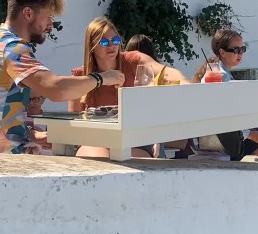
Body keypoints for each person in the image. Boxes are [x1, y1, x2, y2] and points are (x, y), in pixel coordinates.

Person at [0, 0, 124, 154]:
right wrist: (102, 78)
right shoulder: (11, 48)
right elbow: (56, 89)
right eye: (48, 17)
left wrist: (30, 134)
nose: (51, 24)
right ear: (28, 13)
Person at [68, 18, 186, 159]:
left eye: (116, 40)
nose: (111, 46)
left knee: (128, 162)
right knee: (98, 158)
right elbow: (74, 124)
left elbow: (164, 71)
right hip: (96, 139)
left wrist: (184, 82)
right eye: (104, 42)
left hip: (135, 140)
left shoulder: (133, 61)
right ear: (92, 46)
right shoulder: (82, 77)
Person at [192, 29, 258, 160]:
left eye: (242, 49)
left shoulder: (219, 72)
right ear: (222, 52)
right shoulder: (221, 76)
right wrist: (249, 134)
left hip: (217, 139)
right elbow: (221, 115)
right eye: (236, 50)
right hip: (219, 142)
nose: (240, 54)